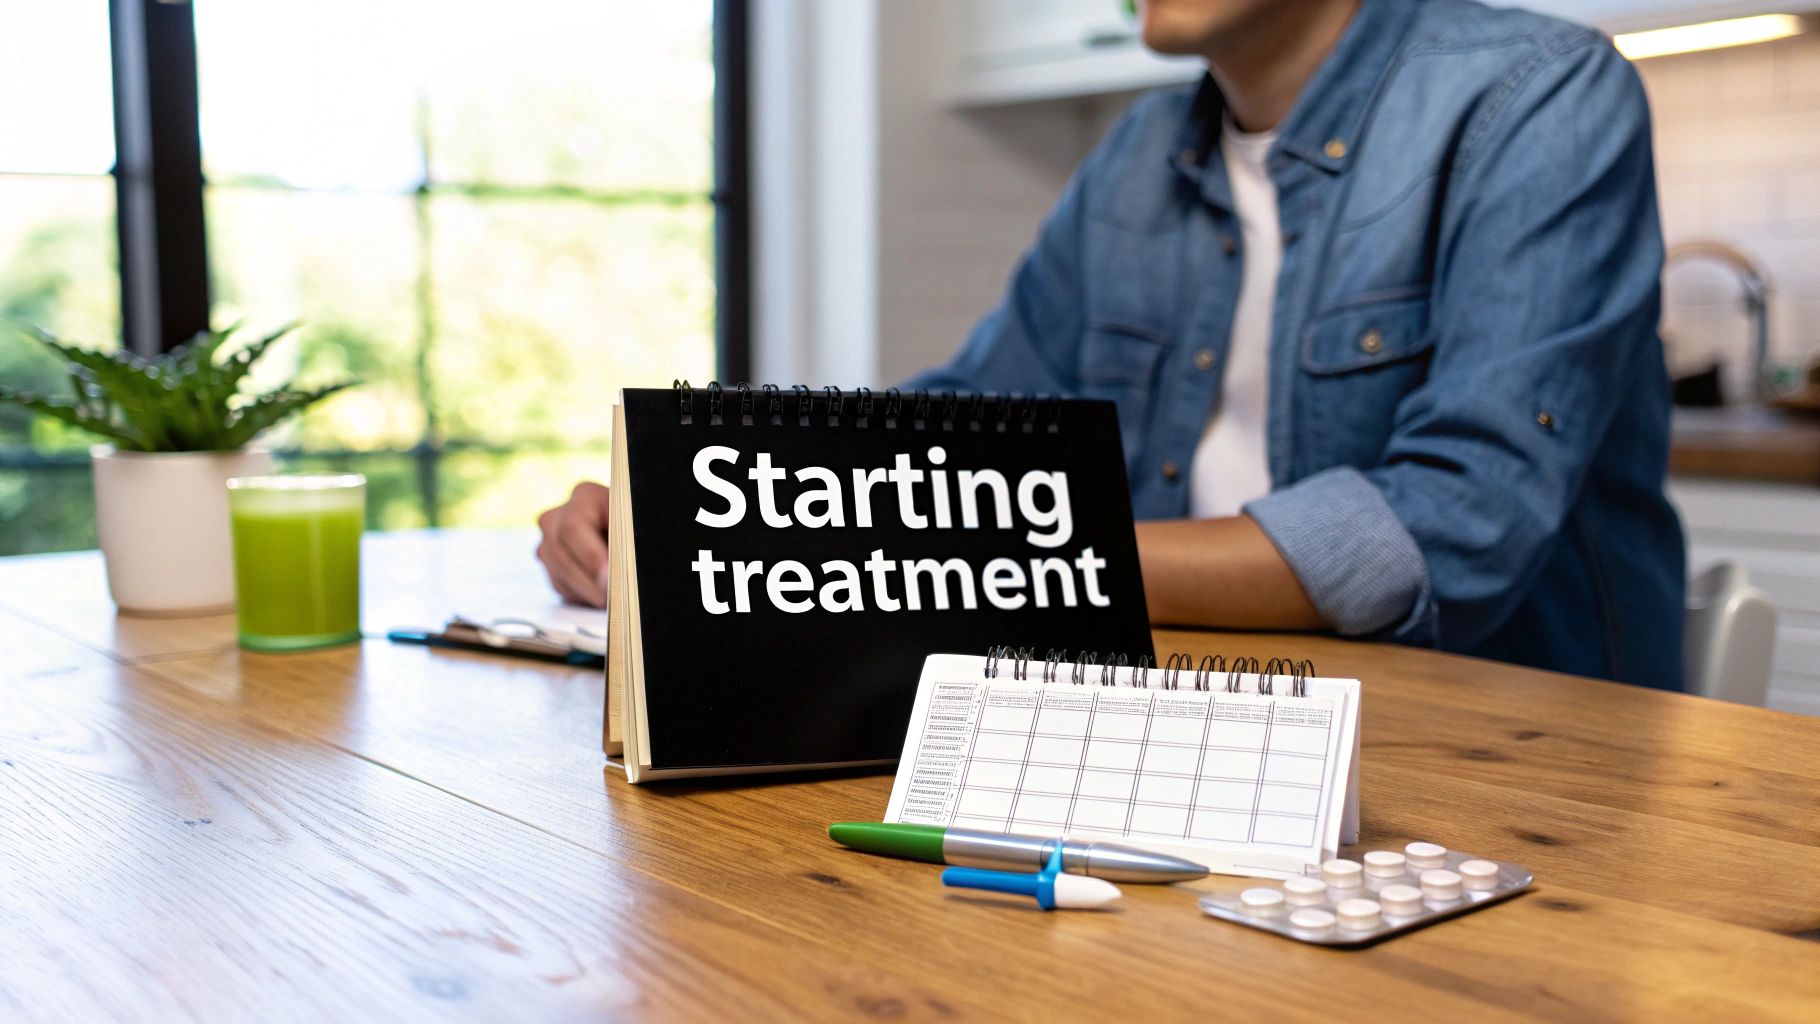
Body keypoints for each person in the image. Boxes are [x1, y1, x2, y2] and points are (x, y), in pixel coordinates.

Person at [540, 0, 1685, 689]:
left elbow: (1452, 527)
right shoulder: (1140, 156)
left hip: (1516, 764)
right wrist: (702, 509)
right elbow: (964, 427)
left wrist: (1020, 560)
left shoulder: (1540, 97)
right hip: (1187, 721)